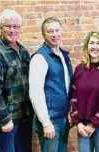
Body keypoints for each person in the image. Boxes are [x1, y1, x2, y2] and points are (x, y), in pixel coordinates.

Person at [0, 9, 33, 152]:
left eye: (16, 26)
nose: (12, 30)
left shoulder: (22, 50)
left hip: (23, 117)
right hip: (6, 120)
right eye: (8, 26)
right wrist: (4, 119)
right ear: (1, 28)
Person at [29, 17, 73, 152]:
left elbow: (66, 86)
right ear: (44, 35)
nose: (55, 34)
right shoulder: (40, 58)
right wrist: (46, 122)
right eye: (50, 31)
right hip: (50, 120)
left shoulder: (63, 55)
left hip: (62, 118)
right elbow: (35, 93)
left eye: (57, 30)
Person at [70, 31, 99, 152]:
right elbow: (73, 98)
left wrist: (94, 124)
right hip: (82, 124)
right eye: (91, 43)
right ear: (87, 46)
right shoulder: (79, 69)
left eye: (98, 43)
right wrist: (78, 123)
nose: (94, 46)